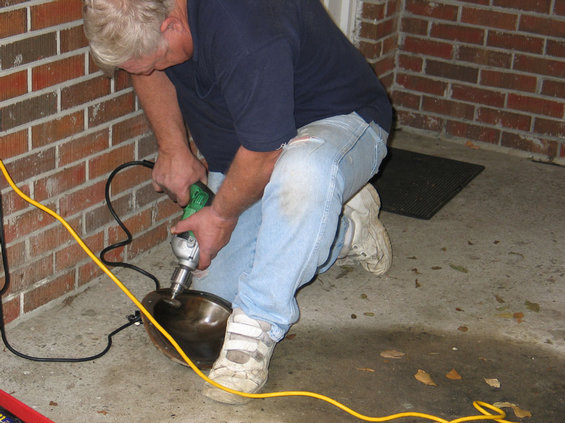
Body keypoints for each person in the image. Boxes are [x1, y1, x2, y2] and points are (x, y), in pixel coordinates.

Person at [83, 0, 393, 404]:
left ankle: (258, 327)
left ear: (173, 25)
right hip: (249, 150)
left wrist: (221, 215)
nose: (142, 72)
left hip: (338, 124)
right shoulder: (149, 16)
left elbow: (265, 154)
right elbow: (145, 68)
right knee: (217, 292)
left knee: (301, 174)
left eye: (150, 60)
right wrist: (173, 146)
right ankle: (342, 229)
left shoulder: (246, 27)